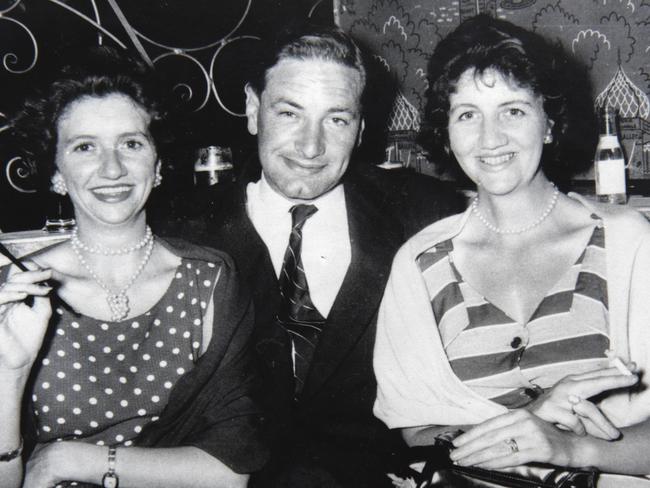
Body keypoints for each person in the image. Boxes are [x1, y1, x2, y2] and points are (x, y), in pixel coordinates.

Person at [172, 24, 464, 487]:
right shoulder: (182, 232)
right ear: (253, 110)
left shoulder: (423, 212)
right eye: (290, 114)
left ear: (362, 126)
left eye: (337, 119)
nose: (311, 147)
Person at [374, 14, 650, 486]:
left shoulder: (630, 243)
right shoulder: (419, 264)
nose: (490, 138)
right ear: (446, 133)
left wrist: (565, 446)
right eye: (467, 115)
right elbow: (417, 433)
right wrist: (533, 417)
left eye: (513, 110)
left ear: (549, 123)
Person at [0, 47, 266, 488]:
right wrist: (7, 375)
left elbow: (231, 469)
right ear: (56, 173)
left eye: (131, 143)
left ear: (158, 165)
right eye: (85, 147)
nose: (112, 168)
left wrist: (67, 460)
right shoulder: (15, 289)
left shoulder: (211, 279)